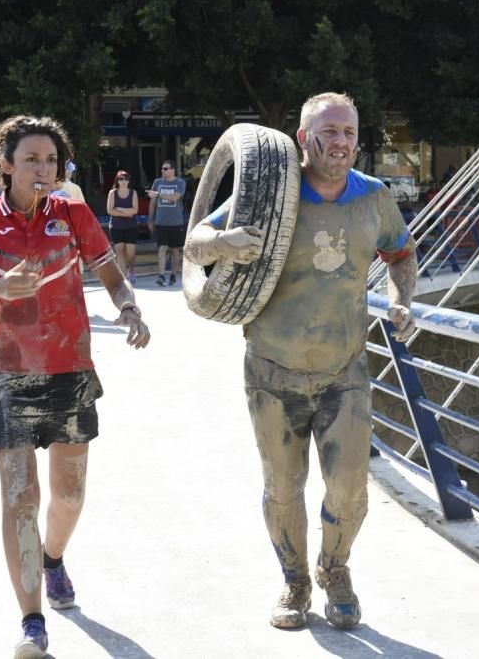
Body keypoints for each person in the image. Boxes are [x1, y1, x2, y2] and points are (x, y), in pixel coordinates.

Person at [184, 92, 417, 631]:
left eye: (349, 132)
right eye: (328, 131)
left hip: (345, 372)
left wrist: (404, 301)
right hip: (271, 371)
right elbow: (194, 244)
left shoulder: (374, 197)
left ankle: (335, 570)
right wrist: (223, 241)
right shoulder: (272, 197)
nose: (340, 142)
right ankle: (294, 581)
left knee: (349, 487)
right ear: (302, 140)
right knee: (283, 488)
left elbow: (402, 253)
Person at [0, 115, 150, 659]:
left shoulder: (74, 212)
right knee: (20, 500)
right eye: (31, 160)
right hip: (4, 373)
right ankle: (32, 622)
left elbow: (110, 273)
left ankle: (53, 560)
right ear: (6, 165)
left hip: (69, 370)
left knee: (70, 494)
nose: (43, 169)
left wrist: (129, 308)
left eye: (51, 161)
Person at [147, 160, 186, 286]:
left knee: (175, 250)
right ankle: (162, 275)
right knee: (162, 248)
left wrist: (158, 194)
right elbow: (152, 203)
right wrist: (150, 219)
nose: (163, 171)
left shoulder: (180, 182)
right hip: (161, 222)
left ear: (172, 169)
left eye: (166, 168)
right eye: (162, 169)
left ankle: (173, 274)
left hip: (176, 222)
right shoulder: (157, 182)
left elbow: (175, 197)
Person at [106, 170, 140, 285]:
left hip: (131, 227)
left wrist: (119, 209)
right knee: (119, 252)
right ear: (117, 181)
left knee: (131, 253)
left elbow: (135, 210)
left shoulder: (133, 193)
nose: (124, 181)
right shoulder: (112, 193)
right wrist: (126, 213)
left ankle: (131, 269)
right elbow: (110, 210)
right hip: (116, 227)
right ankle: (124, 279)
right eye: (121, 179)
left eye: (126, 179)